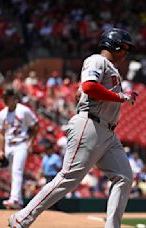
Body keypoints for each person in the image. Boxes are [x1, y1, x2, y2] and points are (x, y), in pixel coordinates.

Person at [8, 28, 138, 228]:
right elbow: (88, 87)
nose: (127, 53)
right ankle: (21, 218)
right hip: (90, 124)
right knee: (68, 178)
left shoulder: (111, 69)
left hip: (108, 132)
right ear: (114, 45)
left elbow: (83, 91)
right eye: (125, 48)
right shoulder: (97, 60)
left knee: (124, 178)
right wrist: (120, 96)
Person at [0, 89, 39, 209]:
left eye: (8, 97)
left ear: (14, 98)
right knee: (12, 173)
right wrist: (0, 150)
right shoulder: (2, 113)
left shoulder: (24, 111)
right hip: (8, 145)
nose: (5, 100)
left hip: (21, 144)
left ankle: (14, 199)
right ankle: (18, 201)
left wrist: (30, 143)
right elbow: (0, 132)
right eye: (4, 97)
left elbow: (35, 126)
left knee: (17, 171)